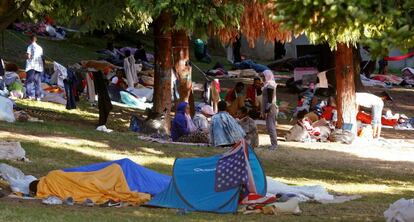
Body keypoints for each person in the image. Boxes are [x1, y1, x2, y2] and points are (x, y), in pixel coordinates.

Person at [261, 70, 278, 150]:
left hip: (270, 108)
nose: (262, 78)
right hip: (270, 107)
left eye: (263, 76)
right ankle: (274, 143)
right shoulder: (268, 84)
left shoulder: (270, 85)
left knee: (270, 126)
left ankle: (274, 144)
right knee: (271, 126)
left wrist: (267, 110)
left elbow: (270, 100)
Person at [25, 35, 44, 100]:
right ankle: (38, 97)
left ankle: (29, 95)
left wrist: (26, 56)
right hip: (39, 66)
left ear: (30, 40)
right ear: (36, 40)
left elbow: (28, 56)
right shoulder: (40, 47)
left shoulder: (30, 47)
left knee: (29, 81)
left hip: (31, 66)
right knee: (37, 82)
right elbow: (41, 56)